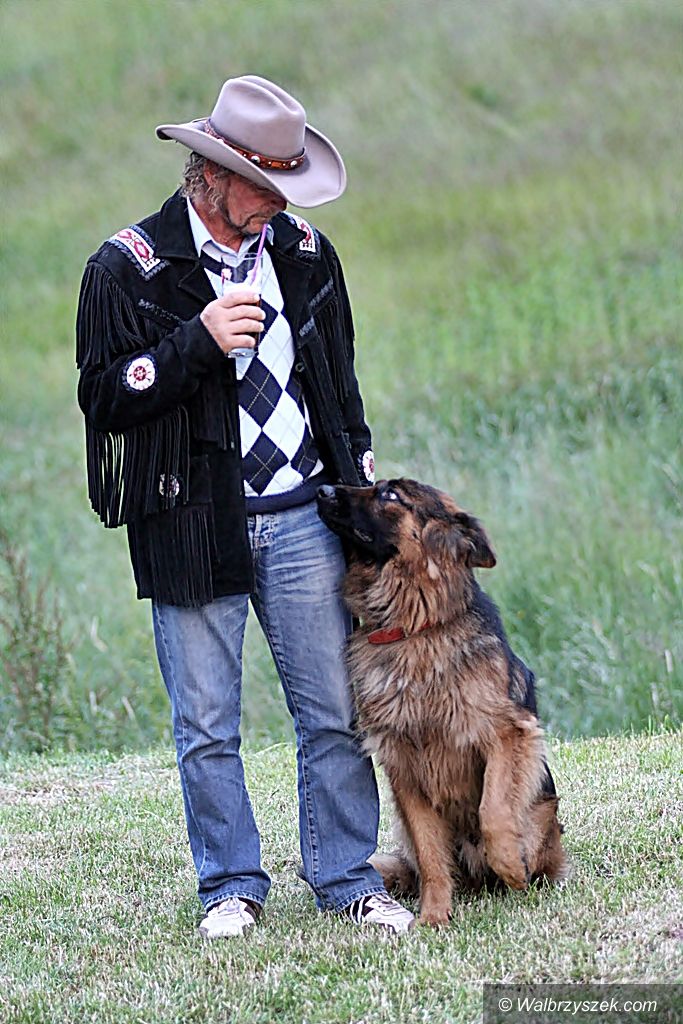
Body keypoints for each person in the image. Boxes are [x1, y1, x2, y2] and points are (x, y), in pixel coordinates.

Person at [76, 75, 414, 938]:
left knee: (332, 713)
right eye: (265, 184)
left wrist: (359, 486)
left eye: (286, 184)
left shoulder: (304, 253)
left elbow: (340, 388)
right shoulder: (129, 268)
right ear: (213, 175)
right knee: (205, 724)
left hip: (303, 516)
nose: (279, 203)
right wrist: (194, 344)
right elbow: (104, 398)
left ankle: (346, 879)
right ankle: (229, 887)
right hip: (191, 520)